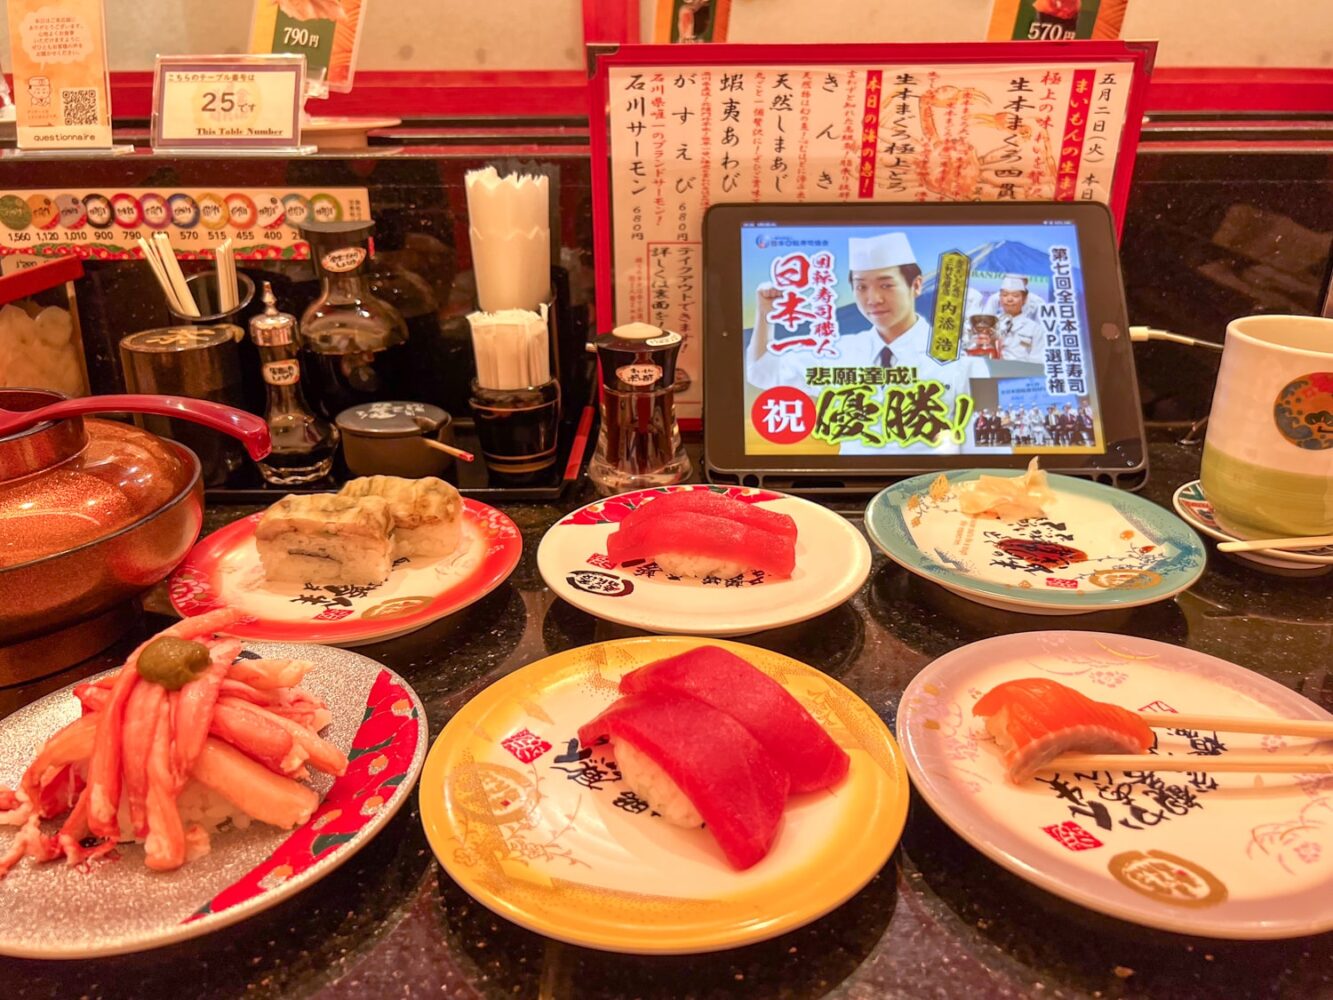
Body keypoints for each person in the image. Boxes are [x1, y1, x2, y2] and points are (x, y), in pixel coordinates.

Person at [747, 232, 984, 455]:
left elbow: (989, 450)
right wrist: (765, 313)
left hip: (938, 488)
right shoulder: (840, 352)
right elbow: (762, 373)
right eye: (861, 286)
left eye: (886, 285)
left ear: (917, 285)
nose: (873, 299)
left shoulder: (965, 357)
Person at [993, 275, 1044, 364]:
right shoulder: (990, 323)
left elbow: (1038, 361)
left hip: (1020, 374)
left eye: (1015, 295)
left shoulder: (1035, 329)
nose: (1009, 299)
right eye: (1004, 295)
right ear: (1000, 298)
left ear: (1024, 299)